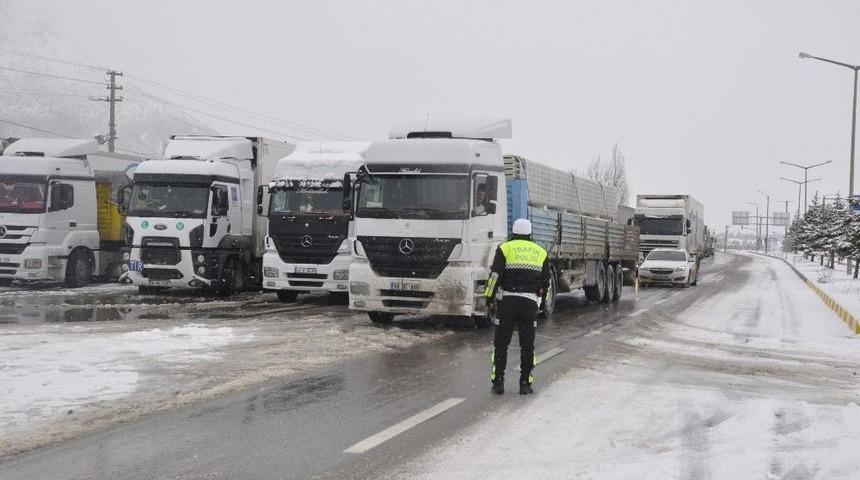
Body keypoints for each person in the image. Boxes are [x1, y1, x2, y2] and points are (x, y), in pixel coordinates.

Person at [484, 218, 551, 395]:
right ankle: (525, 384)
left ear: (513, 232)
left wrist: (488, 298)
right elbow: (546, 282)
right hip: (529, 304)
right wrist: (541, 302)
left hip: (507, 302)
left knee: (501, 344)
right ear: (530, 233)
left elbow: (495, 276)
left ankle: (498, 382)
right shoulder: (541, 252)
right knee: (527, 346)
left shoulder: (504, 248)